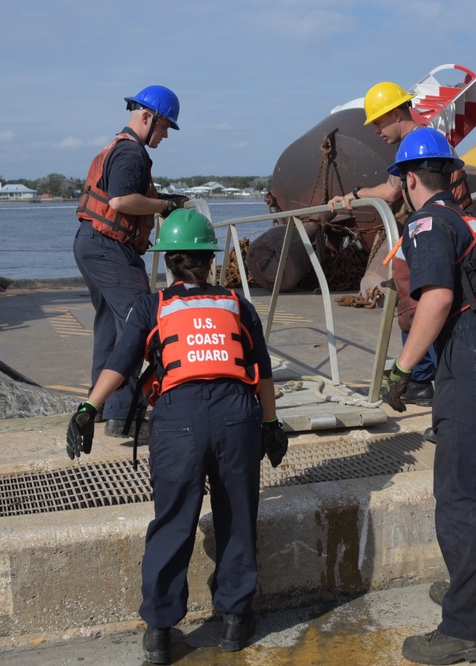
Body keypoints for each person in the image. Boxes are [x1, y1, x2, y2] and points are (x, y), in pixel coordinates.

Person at [65, 209, 288, 665]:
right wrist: (270, 425)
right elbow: (261, 372)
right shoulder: (237, 304)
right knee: (237, 518)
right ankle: (233, 622)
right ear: (210, 260)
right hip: (236, 420)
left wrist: (88, 408)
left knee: (172, 522)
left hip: (177, 423)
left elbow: (121, 360)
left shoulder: (153, 306)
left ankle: (160, 633)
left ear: (167, 260)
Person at [381, 127, 476, 665]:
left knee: (461, 500)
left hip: (472, 361)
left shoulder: (424, 222)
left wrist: (400, 371)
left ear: (411, 178)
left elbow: (437, 299)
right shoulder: (470, 220)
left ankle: (467, 629)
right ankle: (473, 594)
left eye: (400, 181)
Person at [328, 82, 472, 429]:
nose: (376, 130)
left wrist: (354, 195)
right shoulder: (429, 138)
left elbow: (393, 193)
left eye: (378, 122)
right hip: (451, 223)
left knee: (415, 302)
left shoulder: (414, 143)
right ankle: (426, 376)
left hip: (431, 230)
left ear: (396, 113)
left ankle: (420, 378)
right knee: (429, 302)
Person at [74, 84, 186, 439]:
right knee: (140, 323)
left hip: (93, 244)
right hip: (108, 247)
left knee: (110, 329)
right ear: (147, 117)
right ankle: (123, 414)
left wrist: (160, 199)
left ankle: (105, 407)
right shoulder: (130, 153)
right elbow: (122, 201)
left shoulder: (117, 148)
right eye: (165, 126)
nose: (166, 135)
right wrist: (165, 205)